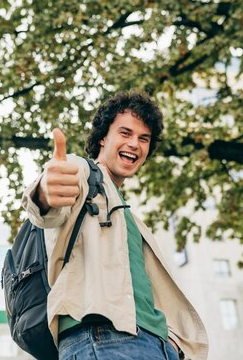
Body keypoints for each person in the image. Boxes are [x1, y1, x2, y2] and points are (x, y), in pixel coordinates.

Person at [21, 91, 208, 360]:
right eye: (125, 133)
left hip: (154, 346)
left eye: (143, 138)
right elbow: (48, 203)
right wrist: (45, 191)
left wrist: (172, 344)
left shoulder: (129, 215)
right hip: (104, 339)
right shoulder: (82, 172)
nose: (135, 144)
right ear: (102, 138)